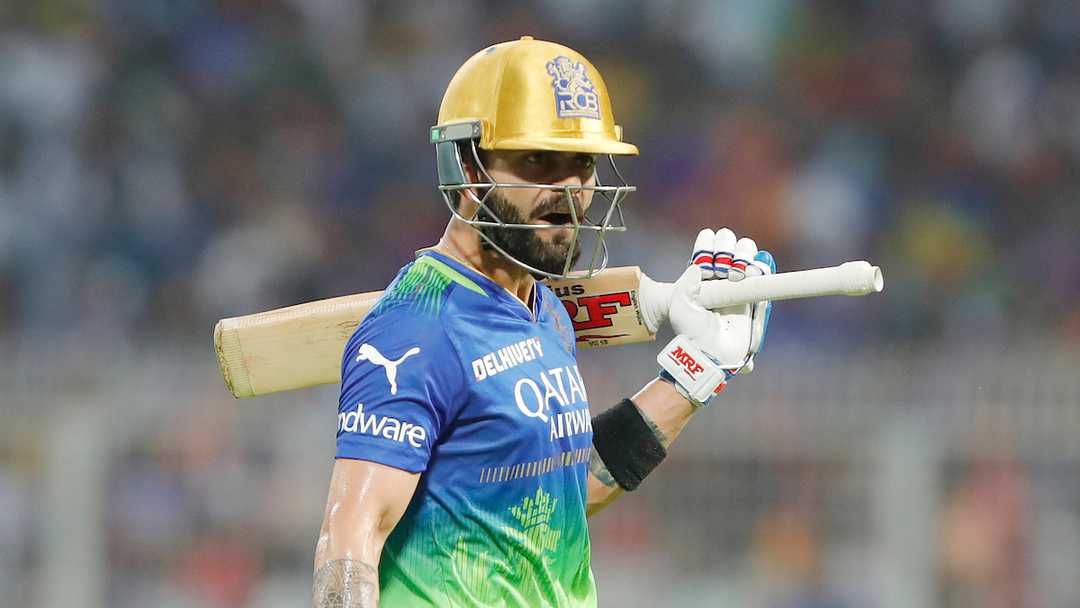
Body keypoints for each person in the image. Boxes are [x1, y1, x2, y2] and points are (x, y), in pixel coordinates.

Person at [312, 37, 775, 607]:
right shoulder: (417, 329)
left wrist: (694, 374)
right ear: (466, 166)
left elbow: (558, 497)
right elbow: (350, 540)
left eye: (582, 163)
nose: (569, 188)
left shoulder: (546, 310)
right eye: (537, 161)